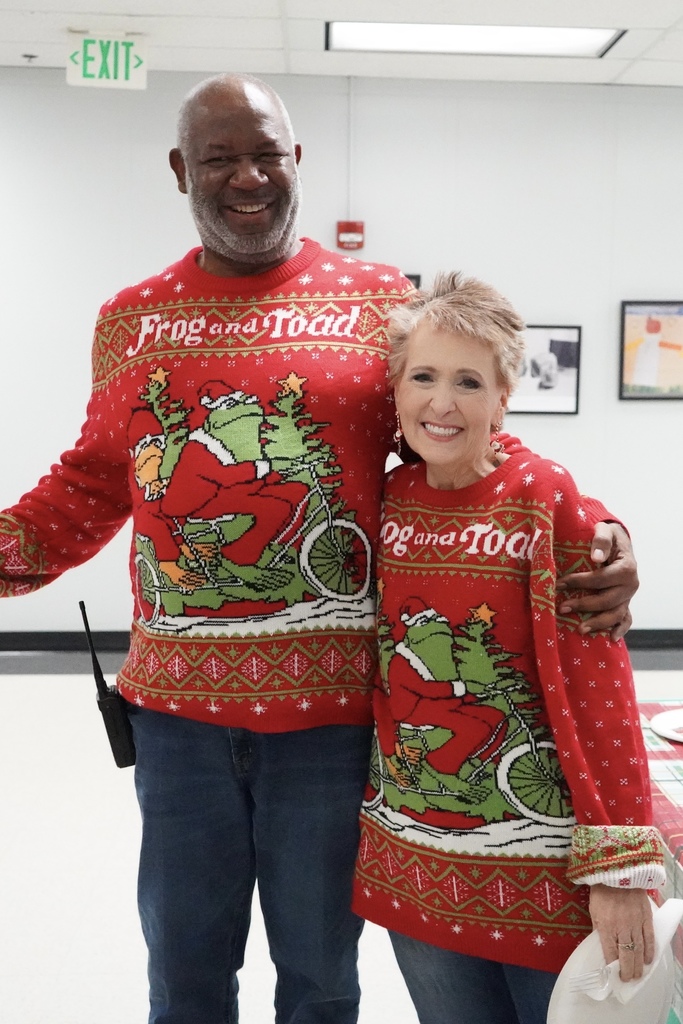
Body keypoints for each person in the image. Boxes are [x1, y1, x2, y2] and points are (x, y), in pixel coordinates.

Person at [0, 74, 639, 1024]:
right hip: (177, 724)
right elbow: (93, 482)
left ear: (298, 161)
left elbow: (461, 438)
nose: (247, 176)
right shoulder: (129, 322)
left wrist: (596, 533)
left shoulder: (379, 300)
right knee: (183, 973)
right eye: (221, 157)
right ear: (182, 170)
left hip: (333, 723)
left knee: (321, 978)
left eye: (266, 153)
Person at [352, 272, 664, 1024]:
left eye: (468, 381)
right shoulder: (385, 498)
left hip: (543, 880)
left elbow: (600, 693)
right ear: (394, 392)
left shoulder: (539, 497)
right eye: (422, 376)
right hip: (417, 864)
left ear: (503, 397)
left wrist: (619, 869)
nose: (441, 402)